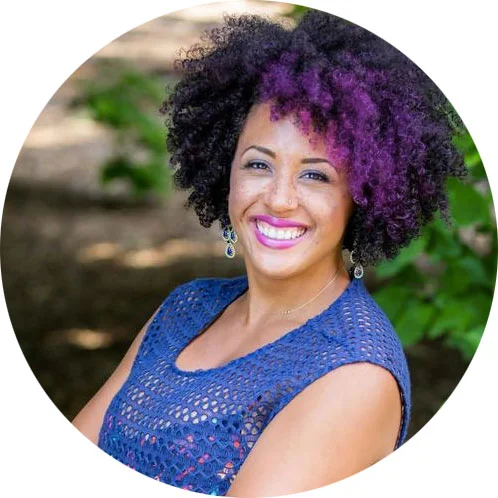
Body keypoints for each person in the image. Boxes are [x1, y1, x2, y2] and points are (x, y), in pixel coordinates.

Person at [72, 9, 467, 497]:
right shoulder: (185, 308)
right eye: (259, 165)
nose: (280, 200)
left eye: (316, 175)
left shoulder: (354, 373)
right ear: (225, 173)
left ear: (363, 196)